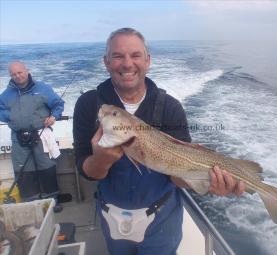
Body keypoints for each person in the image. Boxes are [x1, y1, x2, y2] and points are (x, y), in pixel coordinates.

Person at [73, 28, 245, 255]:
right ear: (106, 62)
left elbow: (177, 176)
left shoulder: (170, 107)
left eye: (135, 55)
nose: (127, 64)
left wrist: (208, 182)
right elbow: (86, 170)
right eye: (117, 56)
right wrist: (101, 161)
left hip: (162, 219)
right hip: (111, 214)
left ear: (148, 61)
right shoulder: (88, 103)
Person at [0, 61, 64, 212]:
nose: (17, 76)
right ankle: (31, 205)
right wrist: (11, 116)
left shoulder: (43, 88)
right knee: (24, 171)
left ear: (27, 71)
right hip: (18, 137)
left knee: (46, 167)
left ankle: (52, 201)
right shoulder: (6, 95)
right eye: (14, 74)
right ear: (10, 76)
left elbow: (58, 104)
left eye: (20, 72)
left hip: (41, 135)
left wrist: (54, 116)